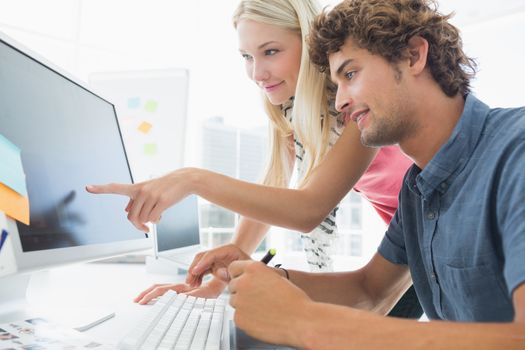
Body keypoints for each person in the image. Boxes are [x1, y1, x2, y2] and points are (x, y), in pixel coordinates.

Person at [216, 0, 525, 348]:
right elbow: (369, 291)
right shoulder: (417, 192)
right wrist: (263, 280)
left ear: (413, 56)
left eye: (350, 75)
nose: (339, 103)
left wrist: (306, 322)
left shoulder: (516, 151)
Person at [86, 0, 420, 317]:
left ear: (310, 44)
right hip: (405, 234)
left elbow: (307, 209)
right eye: (247, 56)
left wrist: (191, 179)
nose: (257, 73)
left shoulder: (356, 103)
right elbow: (272, 189)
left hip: (429, 229)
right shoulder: (290, 110)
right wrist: (217, 278)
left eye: (271, 52)